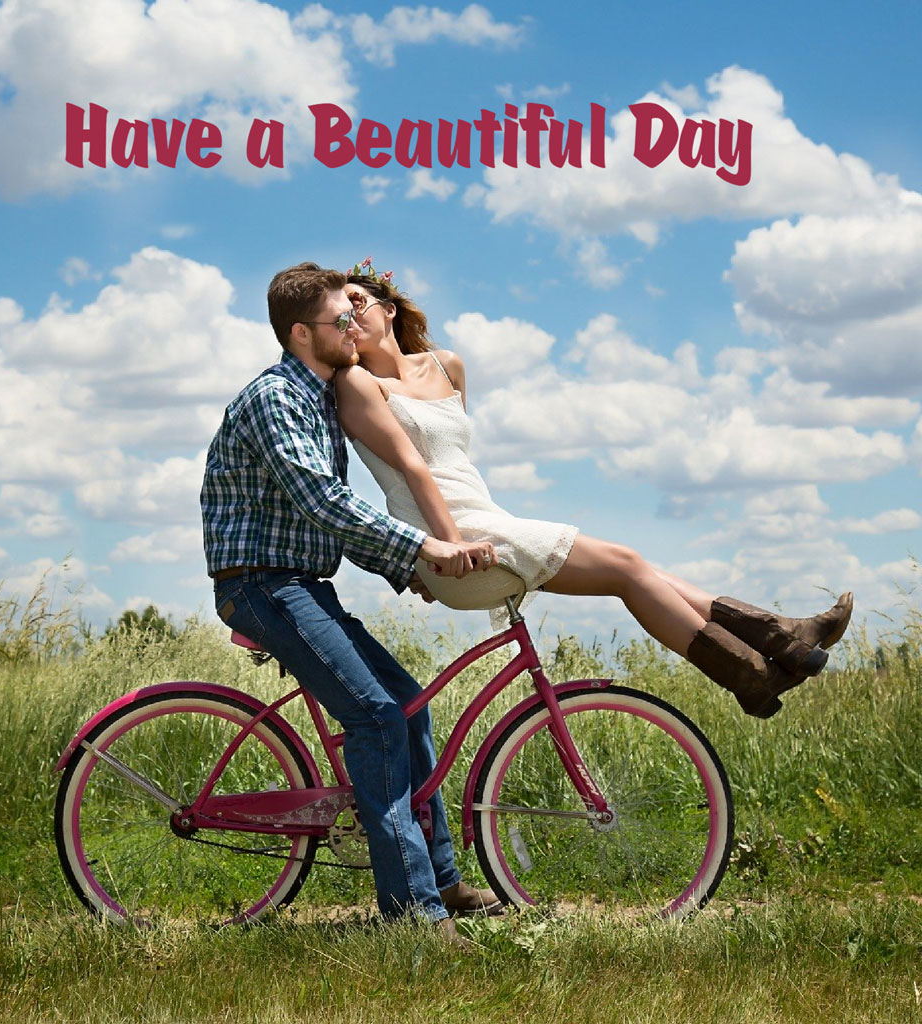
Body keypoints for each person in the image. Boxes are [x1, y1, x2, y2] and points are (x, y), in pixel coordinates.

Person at [335, 259, 853, 720]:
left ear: (388, 308)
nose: (349, 318)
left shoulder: (448, 366)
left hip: (484, 521)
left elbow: (455, 463)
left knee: (637, 569)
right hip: (453, 541)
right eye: (338, 315)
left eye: (357, 303)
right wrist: (440, 549)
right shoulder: (358, 385)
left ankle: (779, 643)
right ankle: (756, 669)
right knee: (628, 567)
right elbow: (415, 471)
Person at [200, 262, 503, 943]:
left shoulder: (319, 400)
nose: (355, 329)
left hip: (302, 583)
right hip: (261, 585)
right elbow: (324, 502)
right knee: (377, 719)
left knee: (409, 705)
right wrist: (427, 547)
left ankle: (444, 881)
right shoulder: (277, 398)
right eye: (344, 319)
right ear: (304, 333)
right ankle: (414, 916)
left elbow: (325, 523)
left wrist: (408, 569)